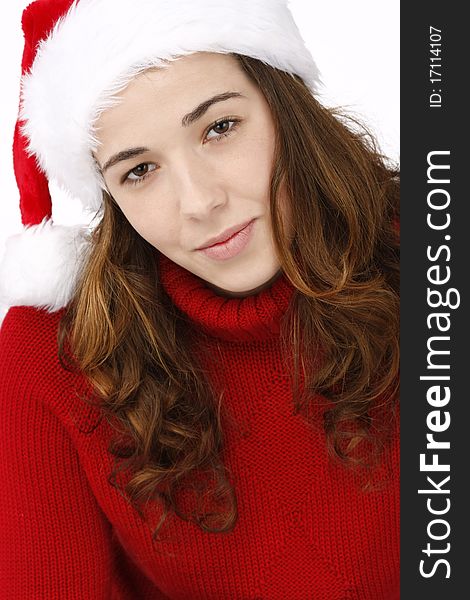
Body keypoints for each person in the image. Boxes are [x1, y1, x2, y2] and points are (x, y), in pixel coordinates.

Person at [0, 0, 400, 598]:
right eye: (139, 171)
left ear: (282, 105)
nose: (199, 201)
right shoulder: (53, 359)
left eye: (219, 128)